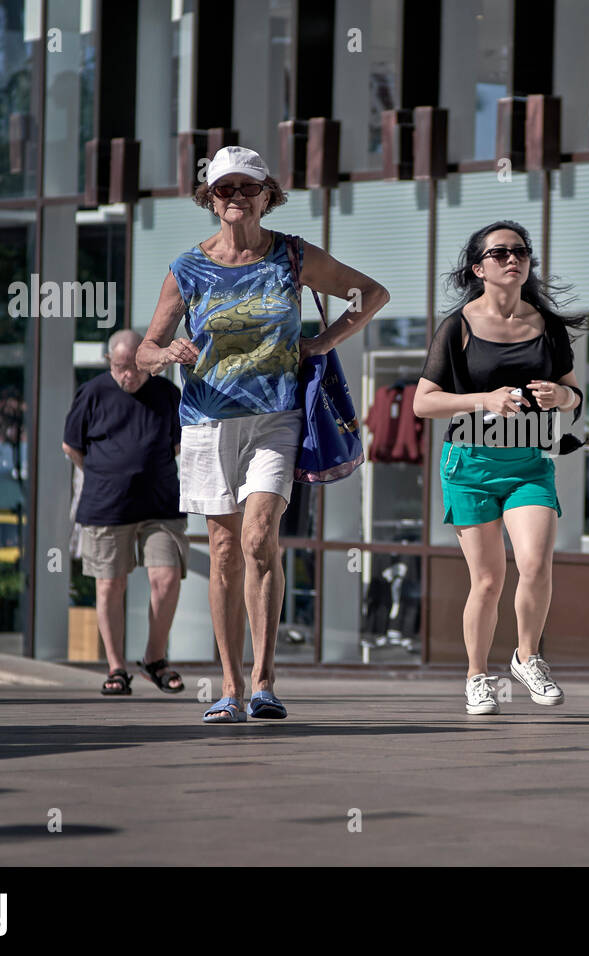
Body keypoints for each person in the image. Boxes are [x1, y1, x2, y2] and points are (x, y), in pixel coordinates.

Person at [136, 145, 389, 723]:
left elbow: (372, 293)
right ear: (210, 198)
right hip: (207, 419)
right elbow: (147, 349)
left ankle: (265, 679)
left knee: (257, 538)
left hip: (276, 416)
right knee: (224, 549)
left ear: (266, 195)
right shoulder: (187, 267)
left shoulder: (292, 256)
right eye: (223, 189)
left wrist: (320, 344)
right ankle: (228, 688)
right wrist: (165, 351)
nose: (234, 197)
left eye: (246, 188)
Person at [412, 220, 586, 715]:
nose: (514, 259)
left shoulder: (547, 326)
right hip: (469, 464)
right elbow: (424, 403)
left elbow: (575, 395)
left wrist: (563, 395)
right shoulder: (458, 327)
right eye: (502, 252)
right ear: (478, 267)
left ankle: (528, 657)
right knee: (488, 580)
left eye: (522, 252)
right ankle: (476, 676)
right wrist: (482, 398)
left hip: (529, 463)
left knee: (534, 562)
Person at [62, 329, 188, 696]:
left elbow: (179, 445)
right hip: (105, 505)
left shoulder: (168, 395)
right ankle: (116, 668)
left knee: (166, 577)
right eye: (118, 368)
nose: (126, 376)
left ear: (147, 362)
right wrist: (109, 474)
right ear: (109, 364)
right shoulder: (92, 393)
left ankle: (154, 658)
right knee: (109, 584)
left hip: (161, 504)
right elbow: (72, 447)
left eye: (133, 367)